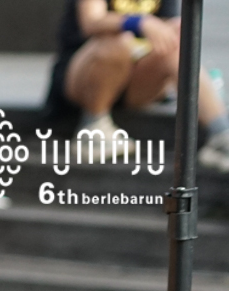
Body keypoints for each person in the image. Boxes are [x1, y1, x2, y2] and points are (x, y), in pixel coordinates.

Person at [47, 0, 229, 172]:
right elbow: (92, 22)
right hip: (84, 80)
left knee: (176, 48)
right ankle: (94, 128)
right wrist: (138, 23)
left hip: (135, 83)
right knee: (116, 43)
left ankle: (221, 135)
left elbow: (168, 26)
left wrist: (172, 29)